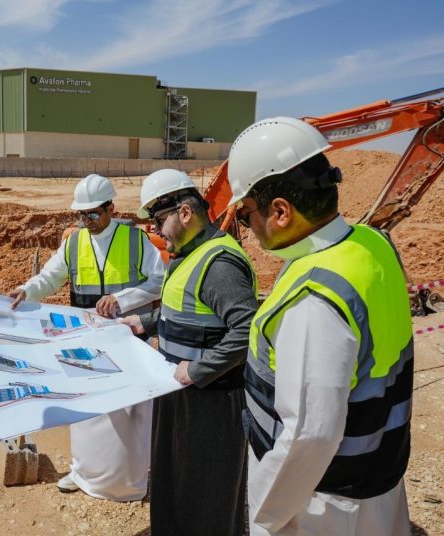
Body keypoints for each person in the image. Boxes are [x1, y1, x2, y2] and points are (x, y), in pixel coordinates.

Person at [227, 117, 413, 535]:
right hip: (377, 472)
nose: (247, 226)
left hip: (322, 502)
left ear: (280, 211)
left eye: (245, 212)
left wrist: (264, 514)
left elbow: (309, 436)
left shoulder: (314, 298)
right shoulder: (371, 243)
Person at [8, 173, 164, 501]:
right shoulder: (74, 242)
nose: (87, 220)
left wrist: (123, 299)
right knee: (86, 410)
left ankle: (132, 479)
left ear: (110, 209)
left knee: (129, 412)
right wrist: (26, 290)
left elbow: (159, 280)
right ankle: (83, 472)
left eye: (93, 213)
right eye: (82, 214)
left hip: (128, 339)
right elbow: (50, 277)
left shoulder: (136, 240)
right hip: (86, 342)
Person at [120, 168, 258, 534]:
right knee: (173, 481)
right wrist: (143, 323)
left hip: (210, 400)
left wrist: (198, 370)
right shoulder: (188, 254)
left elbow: (246, 329)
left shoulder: (219, 264)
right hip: (179, 390)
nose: (157, 231)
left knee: (206, 492)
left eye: (159, 221)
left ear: (184, 212)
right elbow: (182, 311)